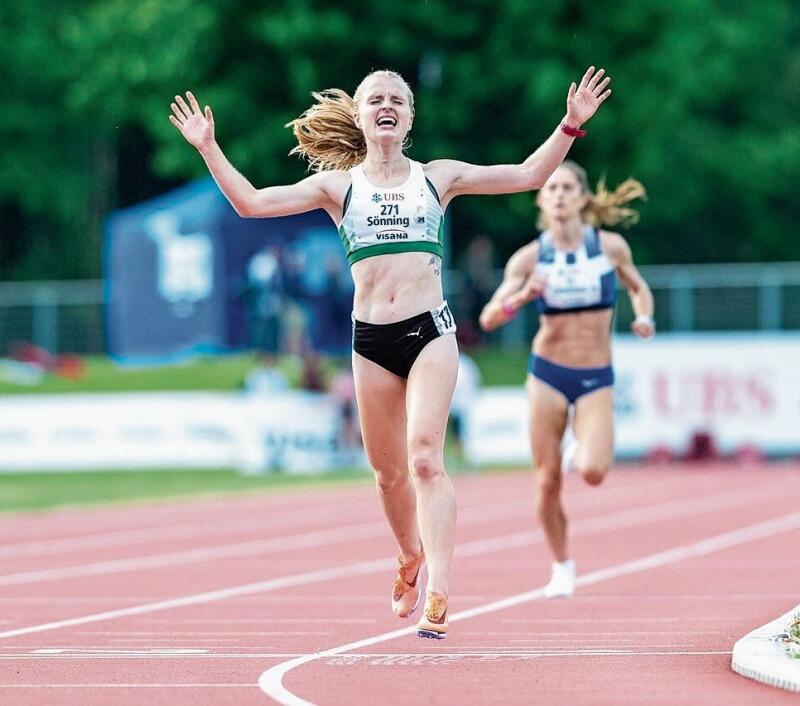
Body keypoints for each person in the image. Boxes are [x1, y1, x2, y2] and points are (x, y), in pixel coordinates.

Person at [169, 66, 612, 638]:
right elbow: (252, 203)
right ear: (359, 116)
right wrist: (208, 148)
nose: (386, 106)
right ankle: (409, 554)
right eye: (374, 99)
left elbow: (528, 175)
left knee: (425, 458)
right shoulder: (339, 188)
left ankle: (441, 591)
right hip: (370, 342)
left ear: (408, 118)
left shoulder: (438, 177)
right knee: (387, 475)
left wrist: (571, 125)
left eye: (396, 100)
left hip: (430, 332)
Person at [479, 160, 654, 598]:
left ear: (582, 198)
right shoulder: (530, 258)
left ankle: (582, 442)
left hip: (595, 374)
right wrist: (524, 295)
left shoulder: (608, 247)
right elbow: (488, 319)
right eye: (550, 187)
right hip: (548, 374)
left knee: (594, 472)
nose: (557, 194)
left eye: (566, 187)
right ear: (541, 199)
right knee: (546, 479)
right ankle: (561, 566)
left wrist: (645, 316)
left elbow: (637, 287)